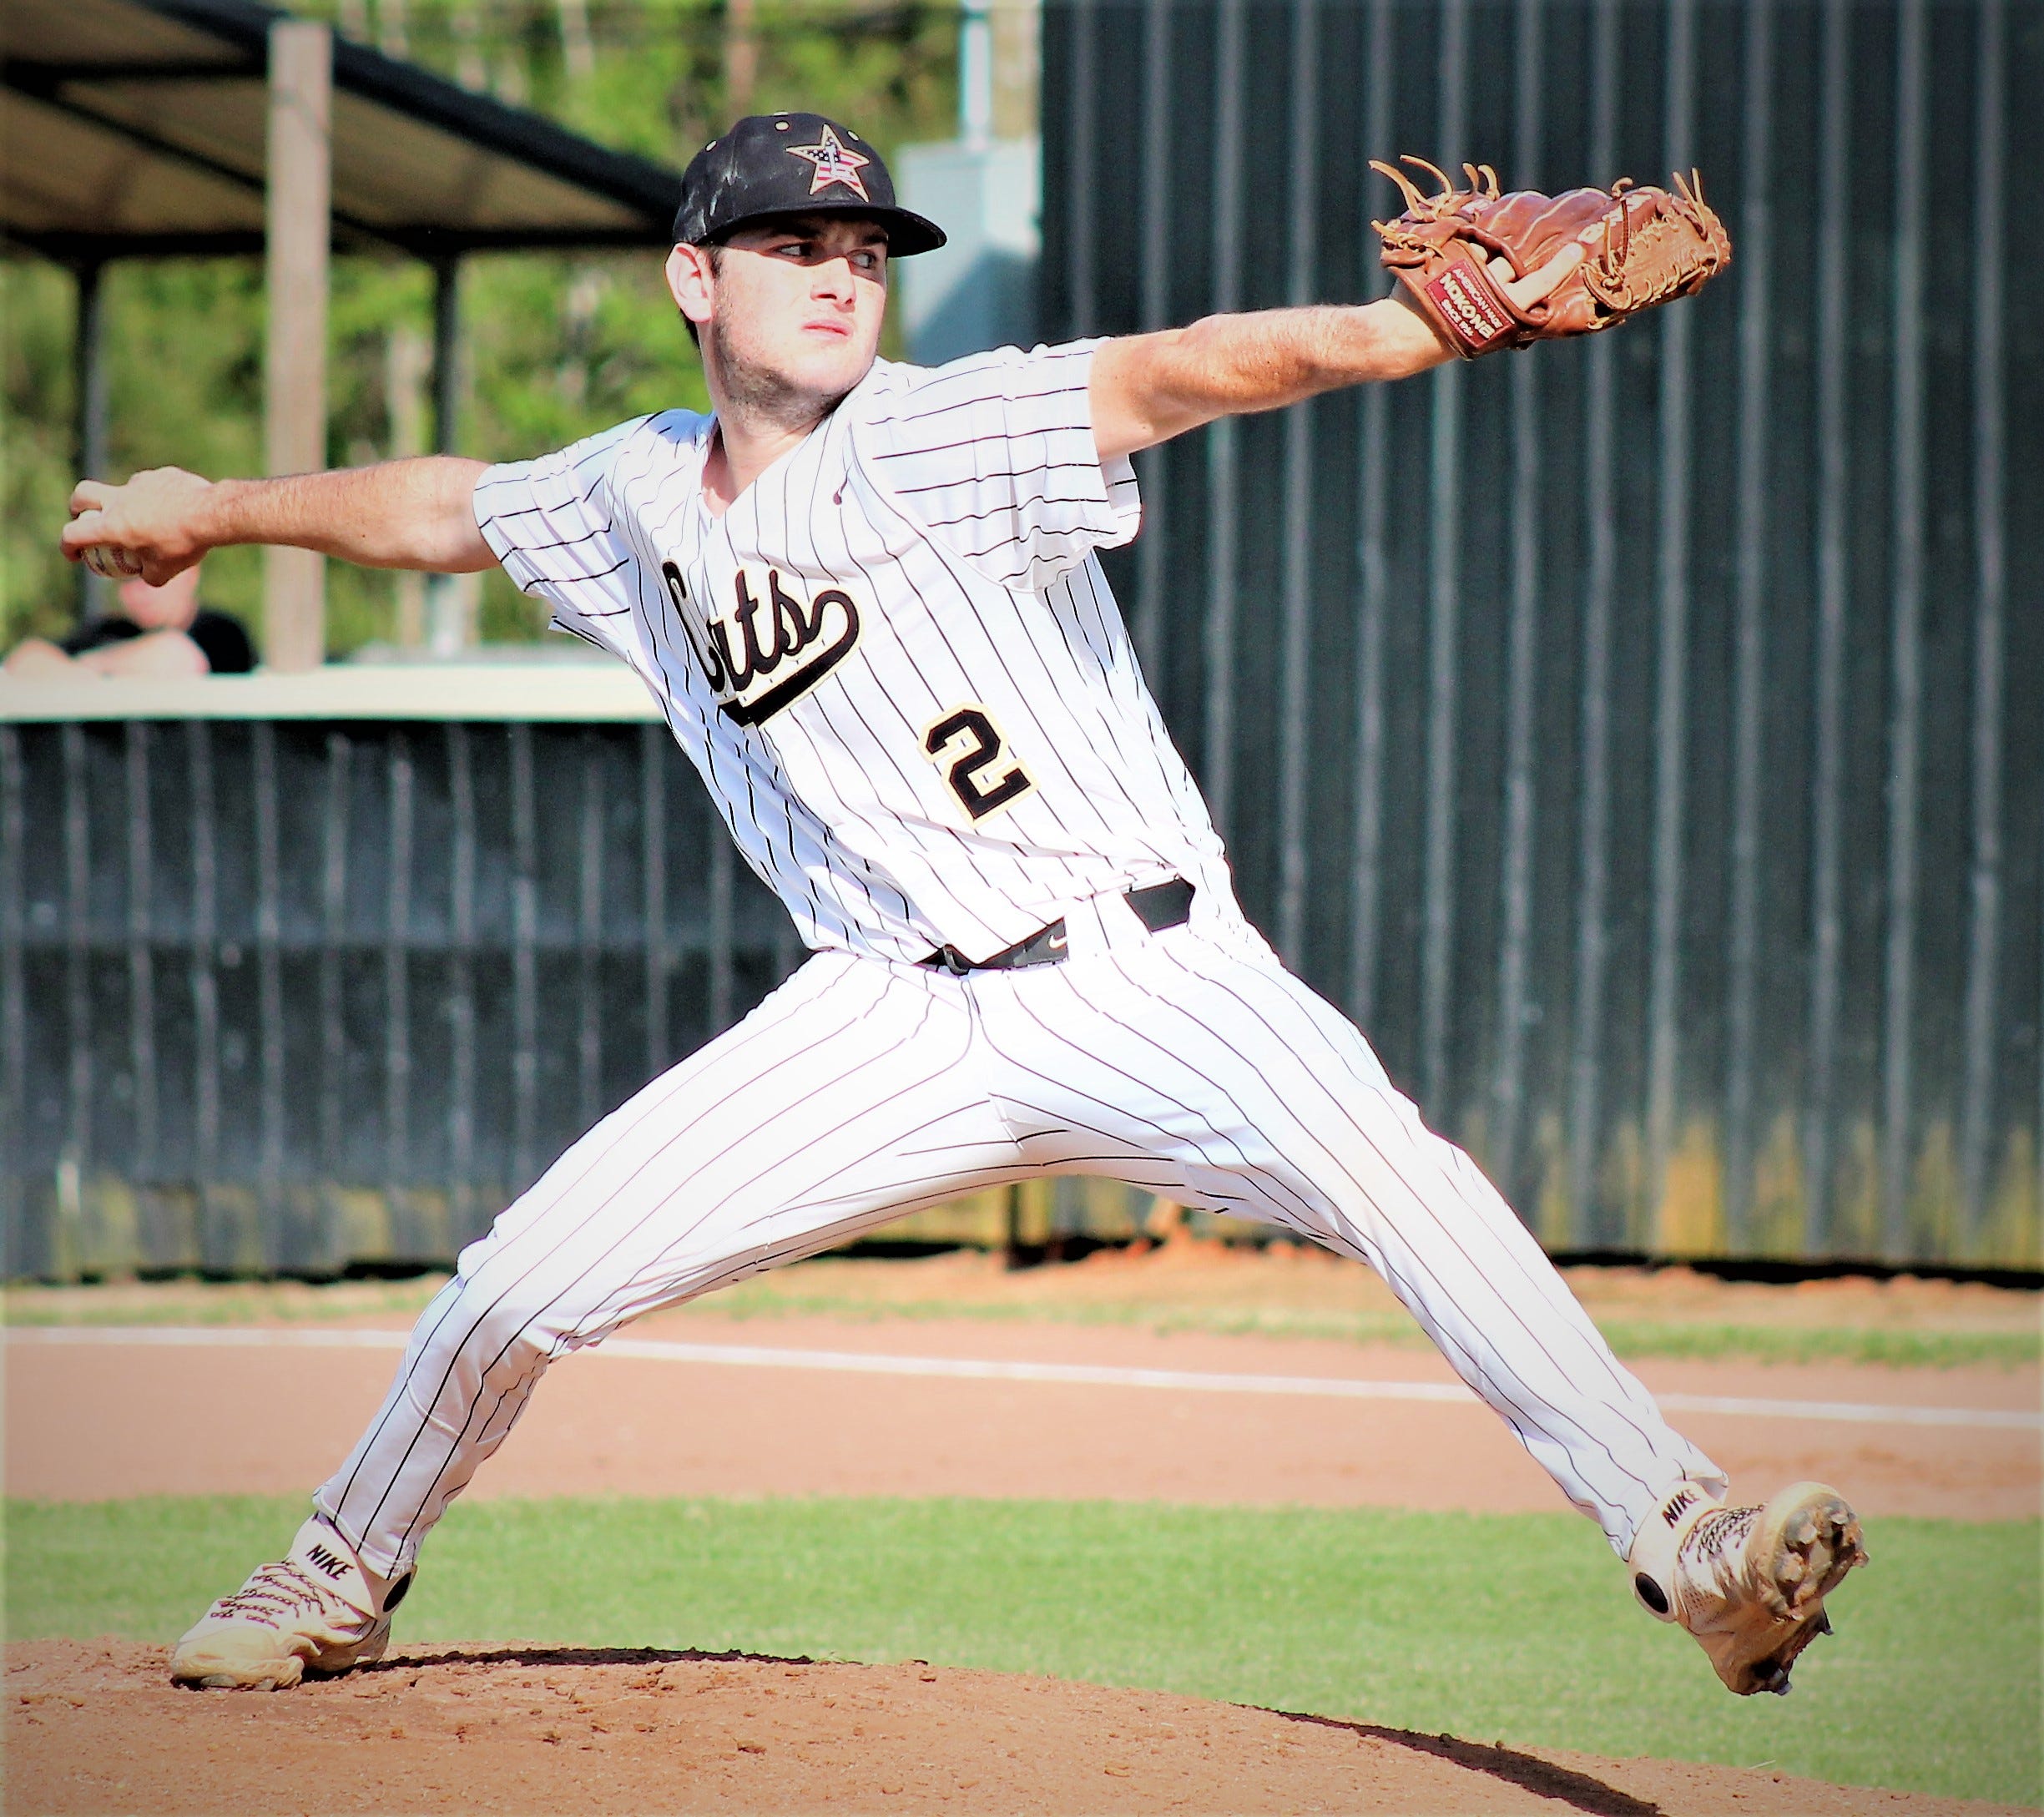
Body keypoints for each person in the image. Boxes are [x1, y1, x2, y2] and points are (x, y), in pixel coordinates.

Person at [63, 112, 1862, 1700]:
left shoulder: (941, 429)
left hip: (1149, 971)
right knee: (517, 1281)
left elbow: (1194, 367)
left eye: (863, 251)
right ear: (695, 275)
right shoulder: (625, 490)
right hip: (885, 1011)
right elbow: (449, 506)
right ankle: (334, 1570)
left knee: (1404, 1177)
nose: (842, 276)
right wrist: (211, 507)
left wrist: (1414, 325)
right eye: (795, 246)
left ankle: (1687, 1536)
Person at [3, 561, 255, 679]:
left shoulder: (222, 634)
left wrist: (92, 670)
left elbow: (178, 658)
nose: (140, 591)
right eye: (128, 581)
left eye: (153, 577)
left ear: (190, 575)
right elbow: (27, 658)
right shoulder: (111, 631)